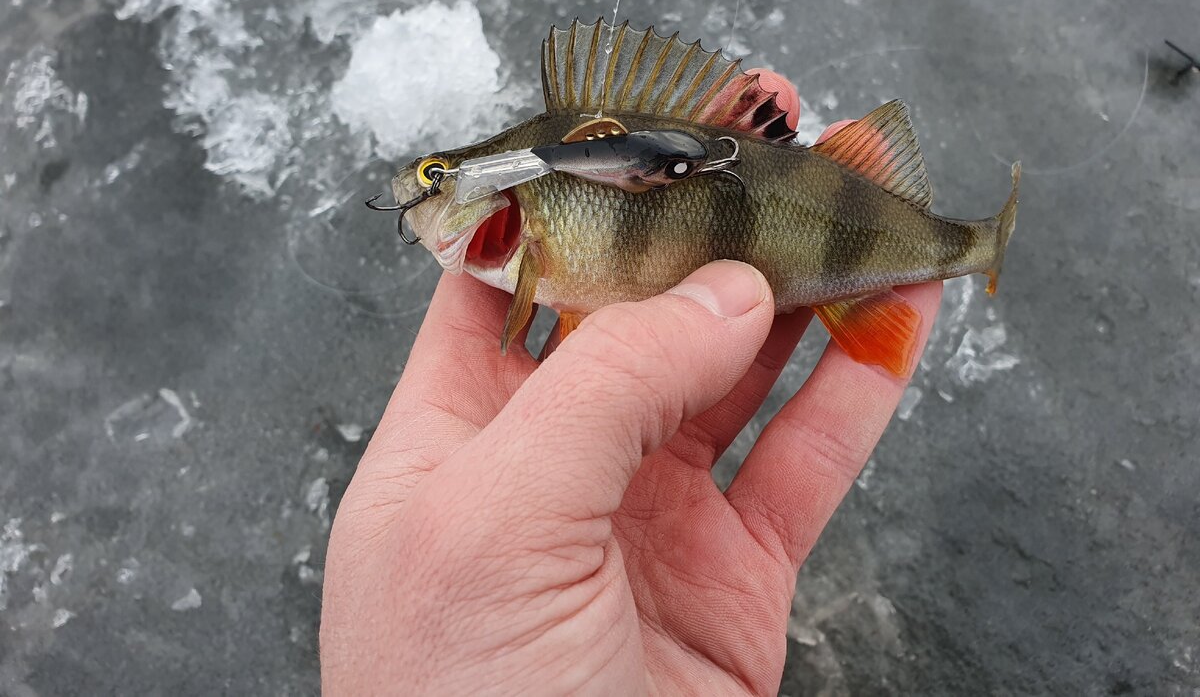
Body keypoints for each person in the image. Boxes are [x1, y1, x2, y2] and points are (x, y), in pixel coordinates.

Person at [320, 115, 943, 695]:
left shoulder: (536, 208)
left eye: (437, 178)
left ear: (500, 201)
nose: (422, 195)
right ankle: (960, 247)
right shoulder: (537, 187)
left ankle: (960, 246)